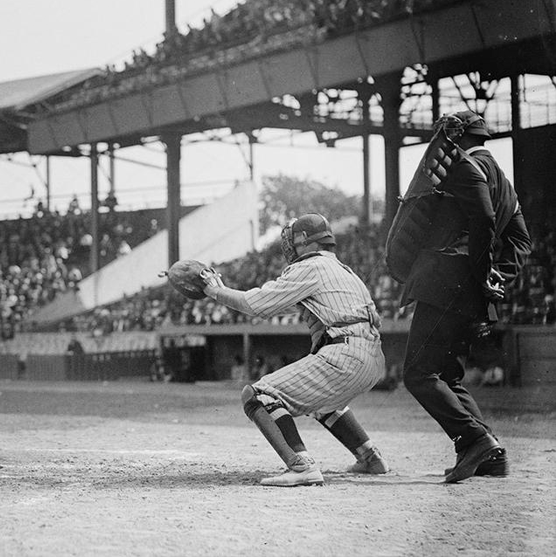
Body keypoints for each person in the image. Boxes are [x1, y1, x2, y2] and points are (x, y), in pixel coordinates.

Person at [201, 214, 389, 487]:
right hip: (372, 357)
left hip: (344, 353)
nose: (288, 245)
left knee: (257, 395)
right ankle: (370, 456)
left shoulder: (309, 267)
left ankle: (301, 465)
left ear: (303, 240)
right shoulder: (347, 272)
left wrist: (216, 291)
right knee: (323, 403)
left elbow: (257, 305)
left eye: (292, 239)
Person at [395, 111, 531, 483]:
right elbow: (521, 241)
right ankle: (490, 455)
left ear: (457, 137)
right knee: (449, 377)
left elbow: (484, 220)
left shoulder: (465, 167)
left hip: (445, 285)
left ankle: (474, 439)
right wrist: (494, 276)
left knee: (418, 373)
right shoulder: (505, 183)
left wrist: (479, 272)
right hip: (468, 293)